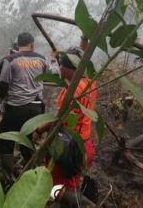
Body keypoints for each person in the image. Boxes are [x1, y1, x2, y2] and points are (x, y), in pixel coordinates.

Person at [0, 32, 60, 181]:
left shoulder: (10, 60)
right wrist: (53, 59)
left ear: (18, 45)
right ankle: (34, 177)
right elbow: (56, 73)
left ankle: (8, 177)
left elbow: (3, 85)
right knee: (28, 142)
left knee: (6, 141)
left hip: (16, 109)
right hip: (36, 110)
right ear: (32, 44)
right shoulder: (41, 59)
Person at [47, 47, 97, 207]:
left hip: (70, 148)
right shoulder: (89, 82)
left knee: (54, 187)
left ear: (67, 68)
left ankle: (84, 205)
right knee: (69, 184)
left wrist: (39, 129)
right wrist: (83, 41)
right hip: (85, 145)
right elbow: (82, 53)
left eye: (60, 65)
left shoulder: (73, 92)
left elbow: (60, 120)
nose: (58, 69)